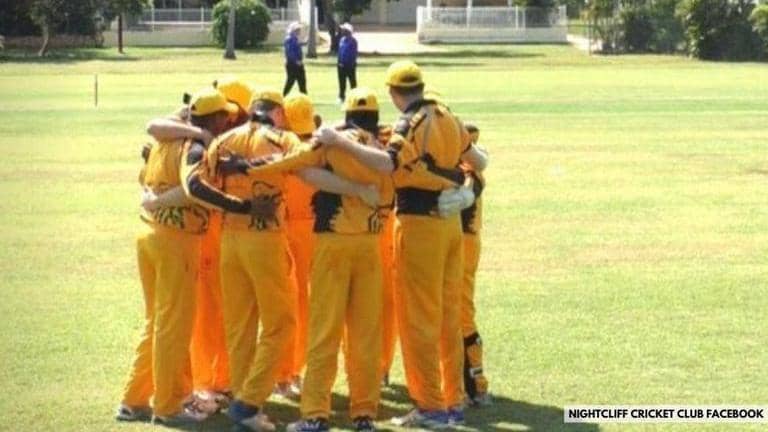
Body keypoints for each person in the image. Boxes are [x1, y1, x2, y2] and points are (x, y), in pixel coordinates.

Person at [315, 60, 488, 429]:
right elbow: (477, 160)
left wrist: (338, 141)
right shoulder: (447, 116)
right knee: (448, 316)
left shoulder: (410, 122)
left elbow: (386, 164)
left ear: (394, 93)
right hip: (449, 226)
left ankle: (430, 406)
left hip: (418, 225)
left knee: (418, 319)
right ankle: (453, 400)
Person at [117, 88, 243, 426]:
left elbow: (147, 174)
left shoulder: (165, 141)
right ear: (215, 118)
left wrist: (155, 201)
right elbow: (192, 190)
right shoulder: (195, 147)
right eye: (224, 116)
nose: (228, 122)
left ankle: (133, 400)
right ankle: (168, 406)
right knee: (173, 327)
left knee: (157, 322)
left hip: (149, 233)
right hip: (176, 241)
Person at [457, 124, 492, 407]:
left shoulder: (467, 171)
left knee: (461, 314)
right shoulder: (471, 166)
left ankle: (475, 387)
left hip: (462, 246)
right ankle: (473, 384)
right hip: (465, 244)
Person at [283, 22, 307, 96]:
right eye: (297, 29)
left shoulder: (295, 39)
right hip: (292, 64)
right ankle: (284, 96)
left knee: (302, 81)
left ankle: (304, 98)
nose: (299, 31)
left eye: (299, 29)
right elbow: (290, 52)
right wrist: (296, 61)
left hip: (298, 63)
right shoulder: (289, 39)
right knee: (291, 81)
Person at [337, 22, 358, 105]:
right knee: (342, 82)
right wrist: (339, 62)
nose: (342, 31)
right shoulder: (342, 40)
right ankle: (341, 97)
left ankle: (355, 97)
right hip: (341, 65)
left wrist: (351, 63)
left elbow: (353, 54)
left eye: (344, 30)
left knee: (352, 82)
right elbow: (340, 52)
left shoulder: (353, 41)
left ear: (348, 31)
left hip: (350, 65)